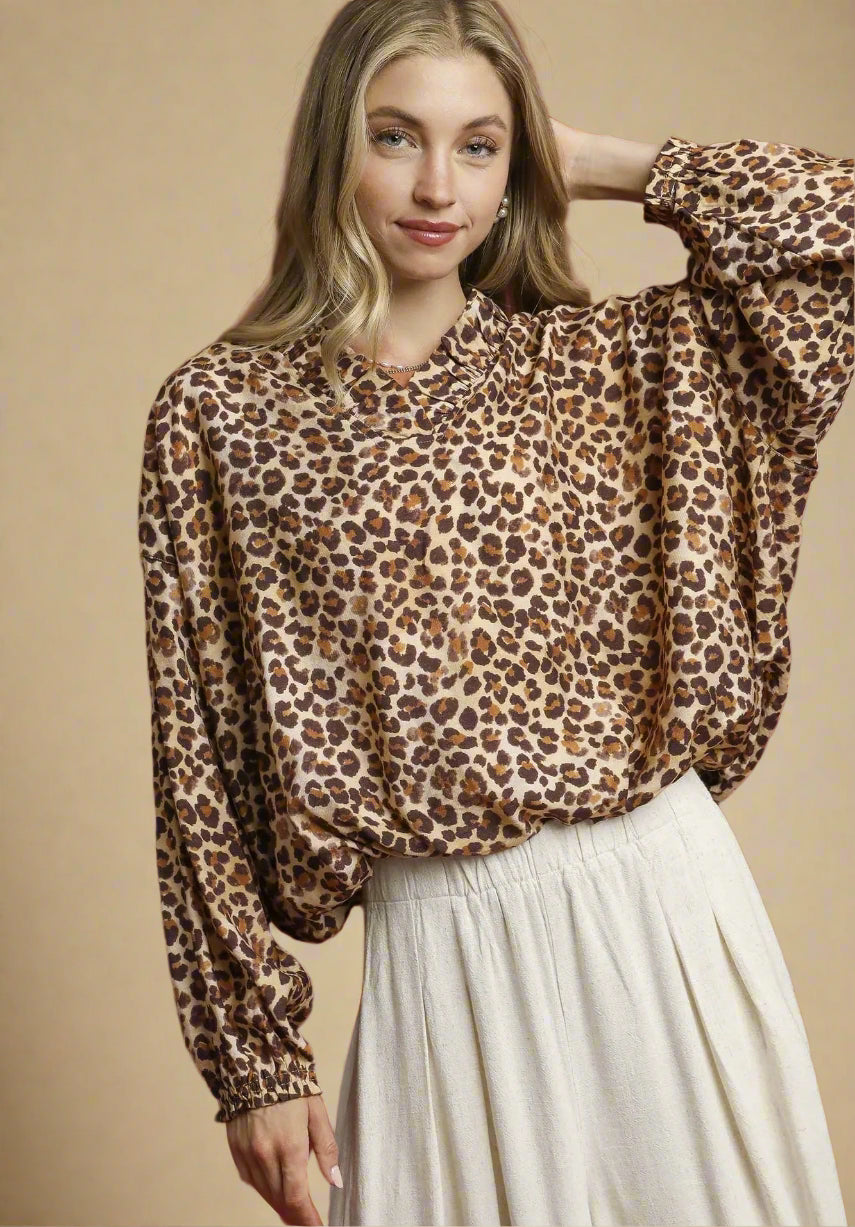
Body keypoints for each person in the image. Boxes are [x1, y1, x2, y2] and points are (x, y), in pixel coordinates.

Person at [136, 1, 853, 1224]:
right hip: (443, 957)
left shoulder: (602, 368)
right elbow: (194, 760)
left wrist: (598, 162)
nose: (436, 185)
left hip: (664, 925)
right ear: (330, 148)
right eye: (394, 136)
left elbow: (838, 226)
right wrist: (252, 1059)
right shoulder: (222, 418)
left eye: (479, 145)